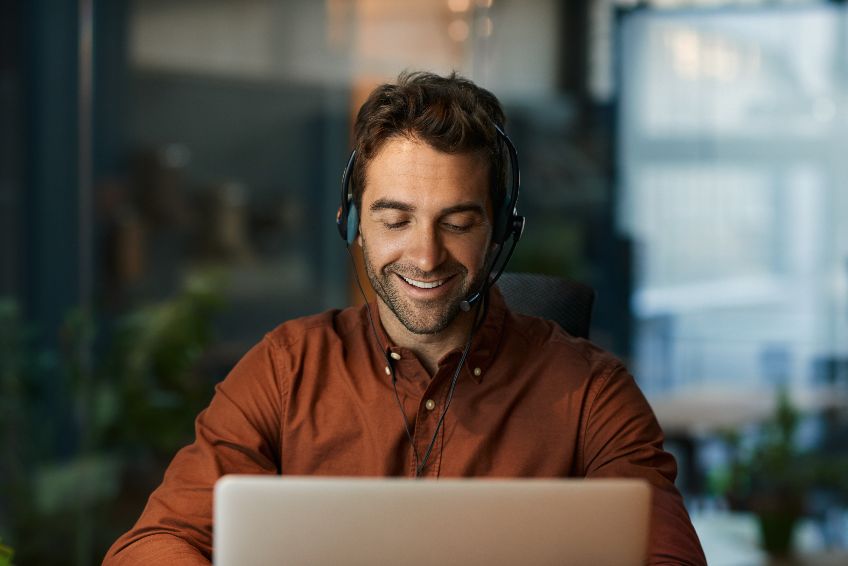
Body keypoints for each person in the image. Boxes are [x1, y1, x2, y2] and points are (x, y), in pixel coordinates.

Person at [104, 71, 706, 565]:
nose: (425, 256)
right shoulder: (286, 370)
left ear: (500, 230)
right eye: (395, 220)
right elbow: (153, 545)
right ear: (352, 222)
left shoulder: (590, 392)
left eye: (459, 222)